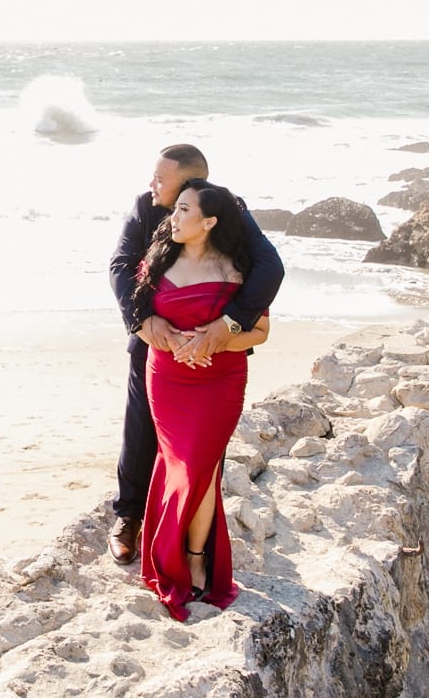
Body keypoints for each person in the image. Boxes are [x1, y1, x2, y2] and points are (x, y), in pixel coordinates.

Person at [106, 144, 283, 565]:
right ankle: (129, 515)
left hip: (214, 357)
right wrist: (143, 321)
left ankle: (193, 541)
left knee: (203, 448)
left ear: (189, 187)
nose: (152, 185)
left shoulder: (227, 209)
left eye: (161, 179)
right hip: (156, 347)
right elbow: (120, 265)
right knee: (141, 427)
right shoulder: (145, 208)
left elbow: (269, 267)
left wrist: (230, 326)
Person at [136, 178, 270, 619]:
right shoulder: (158, 259)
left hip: (220, 382)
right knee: (183, 466)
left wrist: (213, 341)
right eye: (174, 210)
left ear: (210, 222)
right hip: (167, 380)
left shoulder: (238, 268)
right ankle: (178, 558)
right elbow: (139, 314)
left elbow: (261, 332)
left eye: (184, 211)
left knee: (201, 468)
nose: (173, 218)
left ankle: (193, 561)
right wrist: (168, 339)